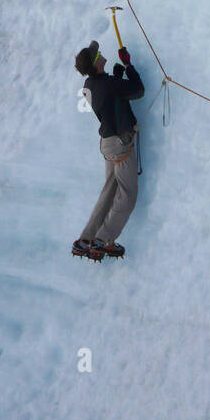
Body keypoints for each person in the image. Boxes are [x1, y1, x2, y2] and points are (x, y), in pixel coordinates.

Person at [72, 38, 144, 260]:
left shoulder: (89, 87)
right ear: (96, 64)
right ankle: (102, 240)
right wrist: (128, 66)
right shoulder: (109, 84)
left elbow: (111, 98)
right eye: (97, 54)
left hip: (107, 144)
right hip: (121, 145)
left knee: (109, 192)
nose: (100, 52)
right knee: (127, 195)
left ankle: (86, 239)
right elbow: (137, 90)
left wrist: (116, 77)